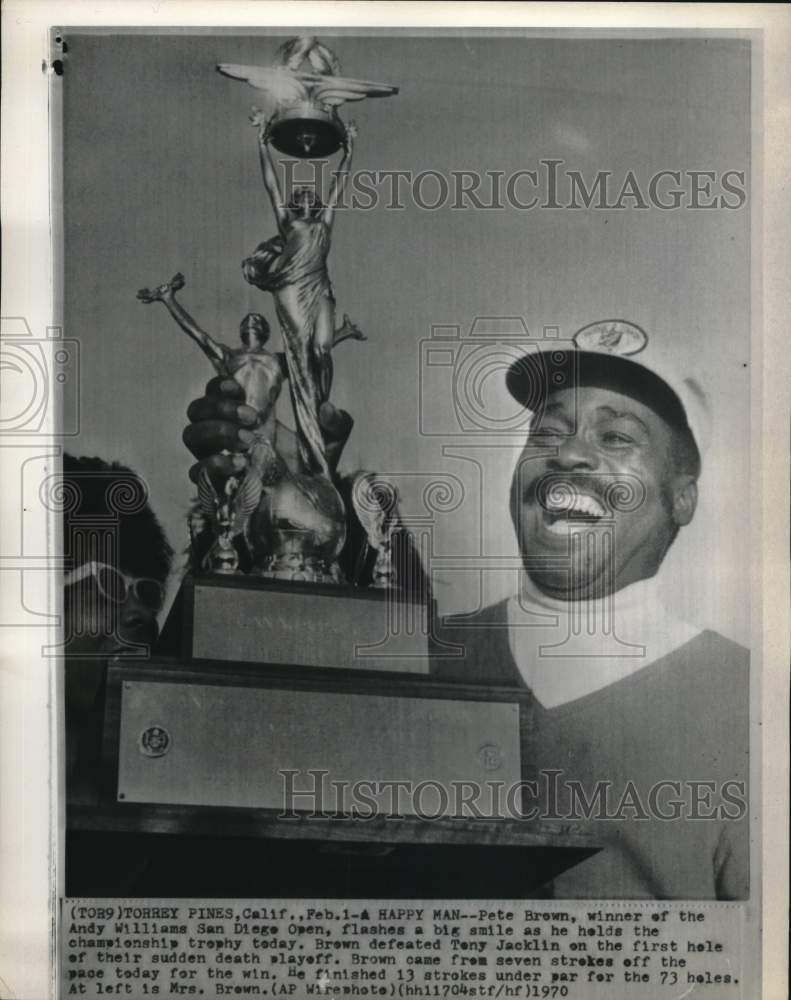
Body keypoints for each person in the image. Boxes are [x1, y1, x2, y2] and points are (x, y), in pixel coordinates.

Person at [432, 324, 749, 900]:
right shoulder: (424, 658)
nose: (569, 453)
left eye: (618, 438)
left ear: (681, 497)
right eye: (548, 431)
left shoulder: (746, 696)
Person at [242, 113, 357, 477]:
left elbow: (340, 183)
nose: (307, 193)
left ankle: (320, 407)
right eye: (300, 193)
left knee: (322, 347)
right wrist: (261, 141)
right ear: (294, 203)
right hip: (291, 288)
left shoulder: (325, 223)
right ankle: (311, 441)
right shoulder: (288, 223)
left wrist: (350, 151)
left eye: (312, 193)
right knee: (300, 354)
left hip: (319, 286)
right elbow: (271, 184)